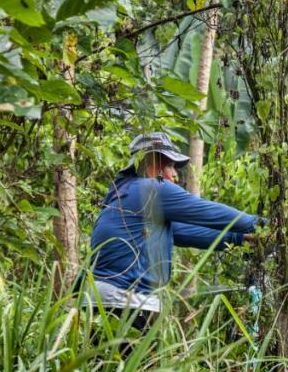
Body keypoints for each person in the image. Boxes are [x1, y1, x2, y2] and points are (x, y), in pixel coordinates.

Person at [81, 131, 263, 332]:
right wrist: (270, 227)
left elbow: (190, 233)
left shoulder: (124, 194)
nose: (175, 175)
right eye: (170, 166)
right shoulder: (152, 189)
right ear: (153, 163)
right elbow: (213, 214)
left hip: (97, 302)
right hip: (127, 303)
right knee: (137, 363)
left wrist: (241, 239)